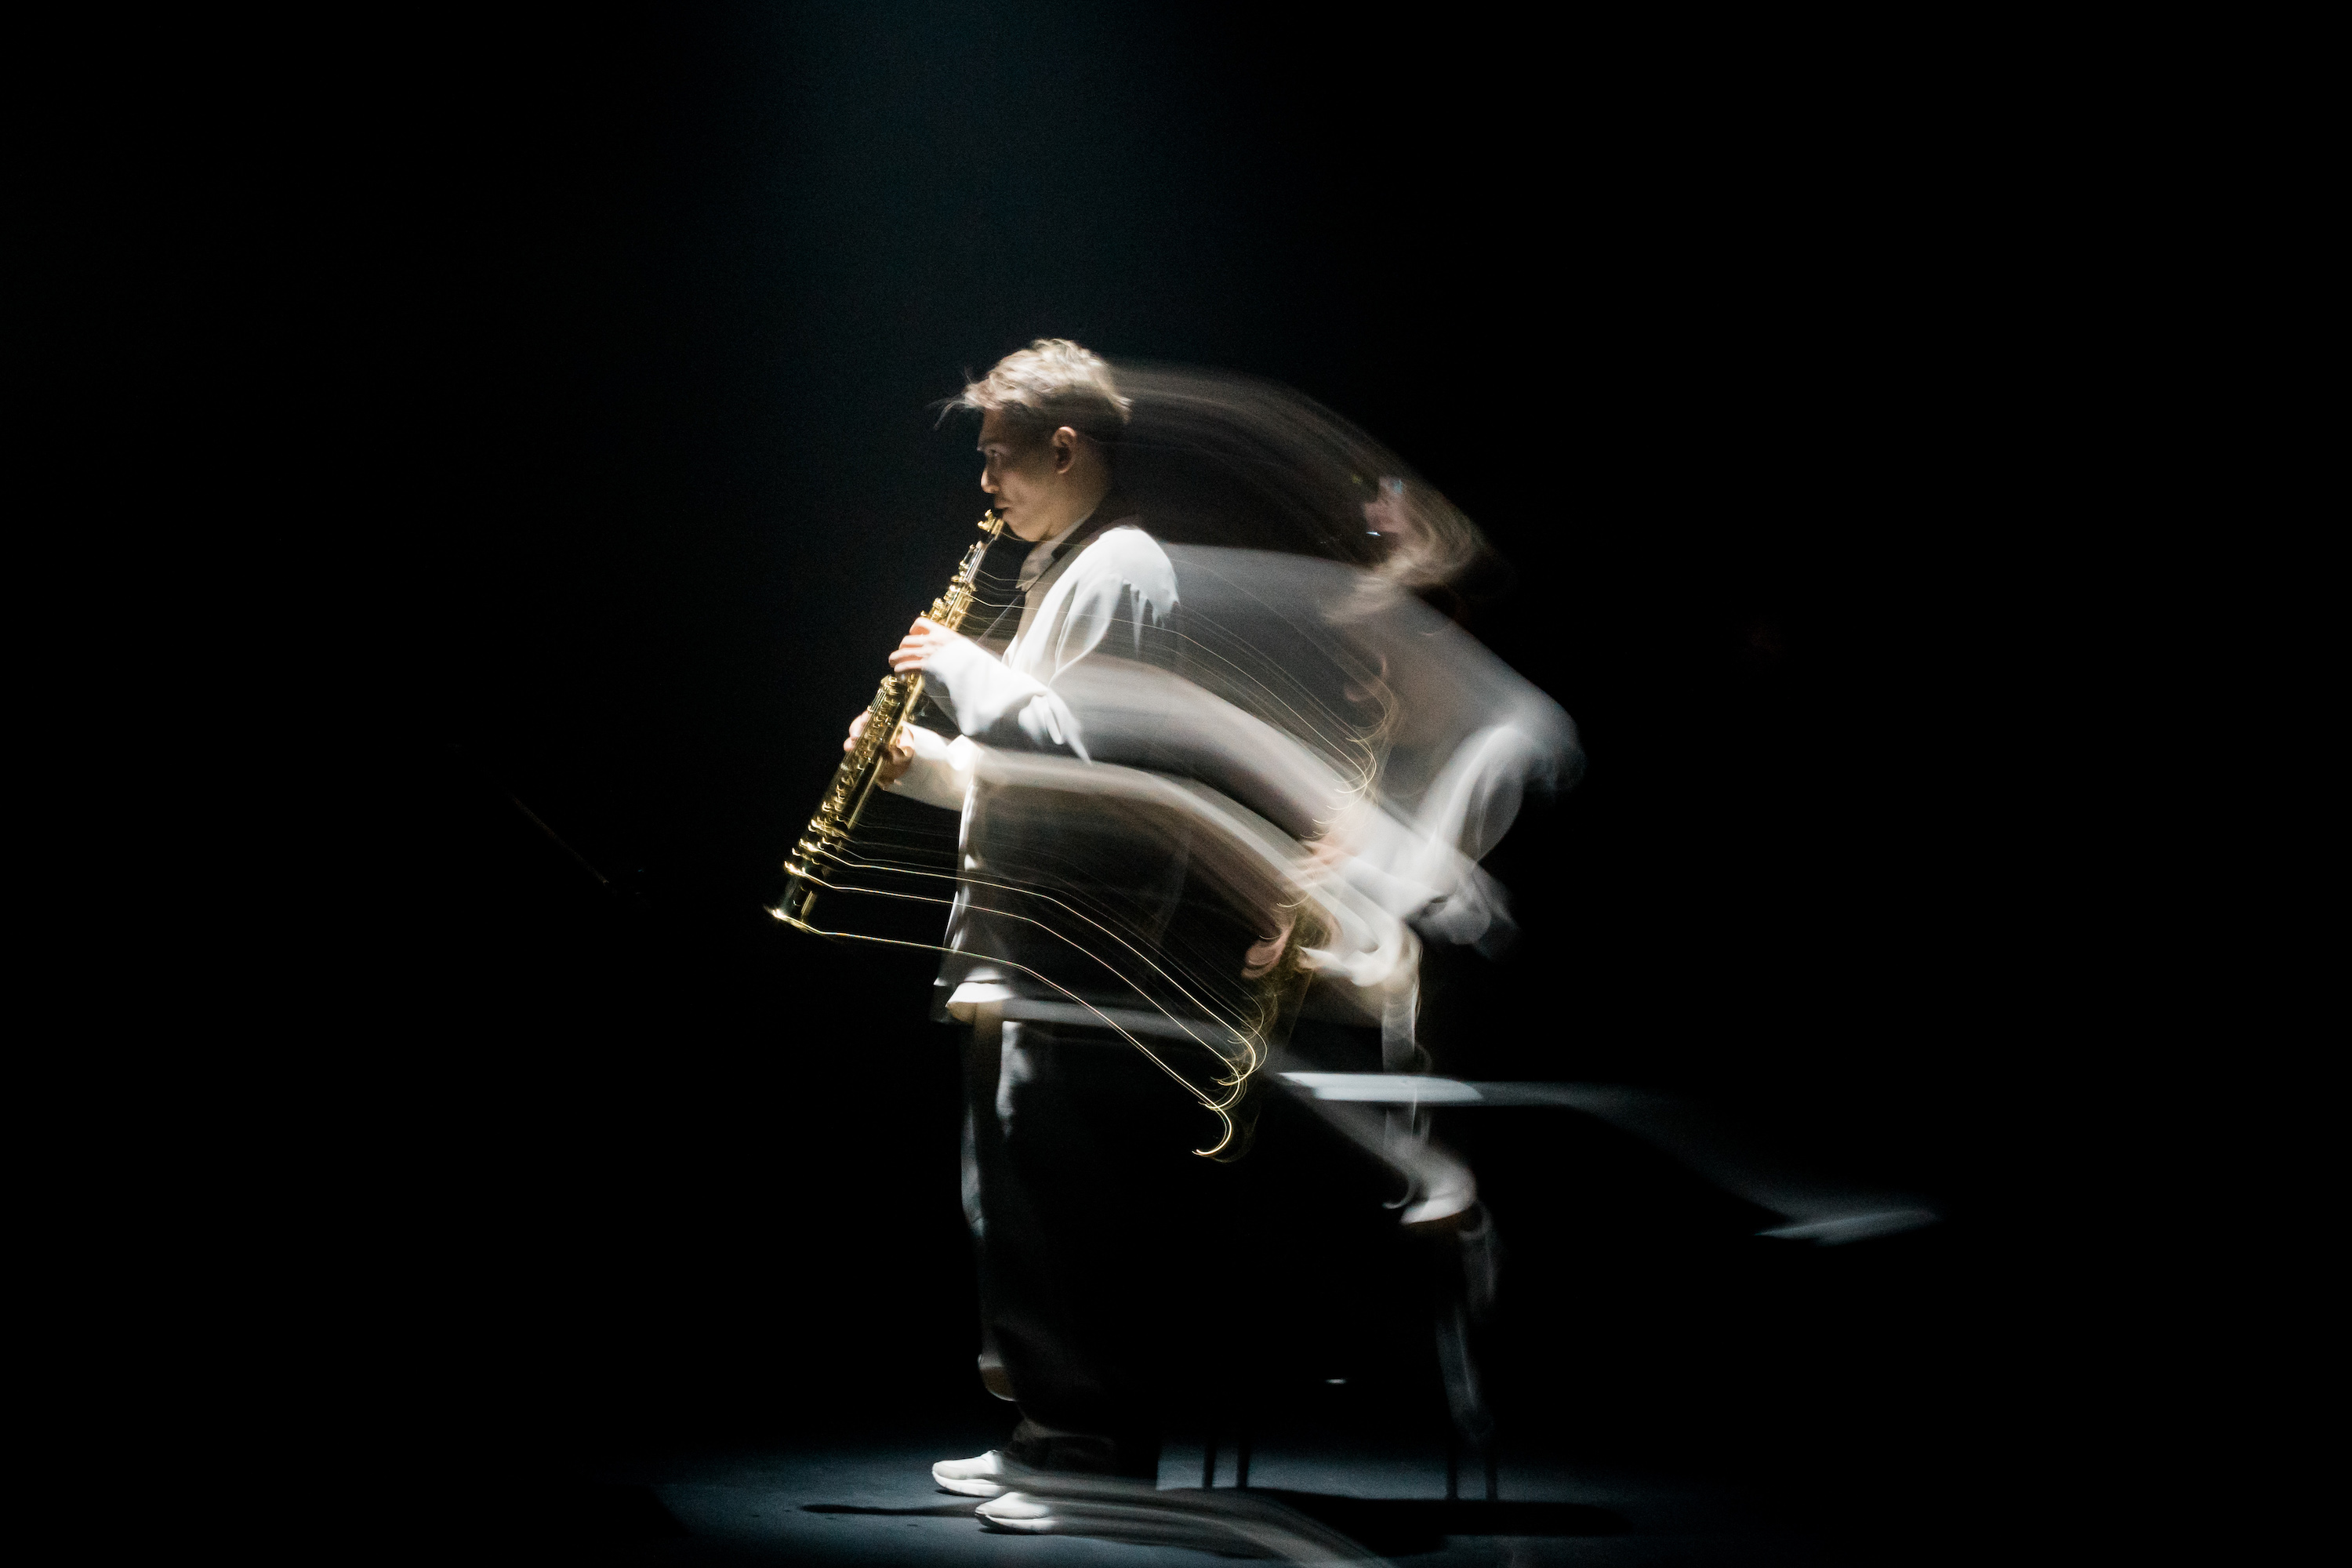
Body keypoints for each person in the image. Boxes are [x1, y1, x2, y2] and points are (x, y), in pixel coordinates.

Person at [846, 340, 1234, 1526]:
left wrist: (959, 665)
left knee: (1062, 1204)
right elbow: (1031, 773)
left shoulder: (1120, 566)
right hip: (1030, 934)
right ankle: (1049, 1433)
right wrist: (919, 765)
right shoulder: (1072, 567)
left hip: (1076, 939)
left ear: (1064, 448)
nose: (986, 483)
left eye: (998, 455)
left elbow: (1079, 752)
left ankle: (1090, 1451)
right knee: (1009, 1197)